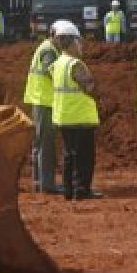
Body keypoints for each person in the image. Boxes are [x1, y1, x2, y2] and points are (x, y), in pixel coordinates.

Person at [50, 21, 104, 200]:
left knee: (68, 155)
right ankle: (81, 190)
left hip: (64, 116)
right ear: (72, 42)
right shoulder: (75, 64)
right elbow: (90, 87)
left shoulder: (58, 64)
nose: (81, 45)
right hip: (80, 117)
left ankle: (68, 190)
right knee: (83, 157)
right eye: (78, 41)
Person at [23, 20, 69, 194]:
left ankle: (38, 181)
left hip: (41, 100)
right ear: (55, 36)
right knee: (46, 144)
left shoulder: (46, 47)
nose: (65, 42)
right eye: (63, 38)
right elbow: (53, 73)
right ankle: (47, 184)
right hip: (45, 101)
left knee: (40, 142)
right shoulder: (49, 51)